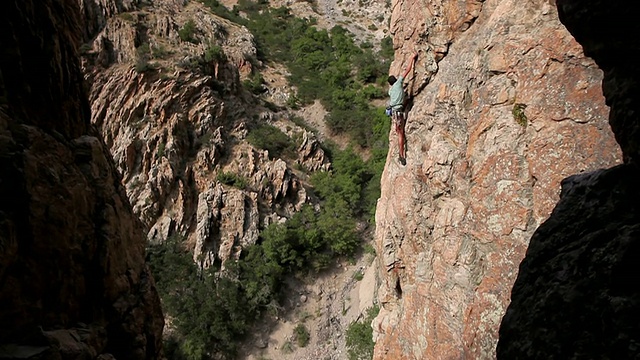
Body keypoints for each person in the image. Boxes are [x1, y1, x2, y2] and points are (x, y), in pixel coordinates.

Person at [388, 52, 418, 165]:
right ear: (396, 80)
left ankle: (400, 153)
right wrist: (412, 58)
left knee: (398, 131)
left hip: (394, 112)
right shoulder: (399, 83)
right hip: (399, 111)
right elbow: (408, 70)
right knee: (401, 133)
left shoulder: (390, 90)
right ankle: (401, 155)